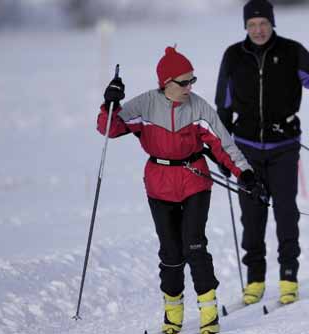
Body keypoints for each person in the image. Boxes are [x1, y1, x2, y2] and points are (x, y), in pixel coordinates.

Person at [97, 46, 264, 334]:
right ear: (166, 83)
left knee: (195, 247)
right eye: (184, 82)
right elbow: (110, 129)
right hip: (159, 185)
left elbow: (224, 145)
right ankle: (173, 315)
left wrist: (245, 174)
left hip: (194, 181)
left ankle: (208, 314)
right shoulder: (144, 105)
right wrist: (109, 103)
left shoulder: (198, 107)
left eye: (192, 81)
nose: (190, 87)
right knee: (171, 254)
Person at [214, 0, 309, 306]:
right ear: (246, 27)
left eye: (263, 24)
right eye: (252, 25)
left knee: (285, 212)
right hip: (246, 149)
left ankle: (288, 276)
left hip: (283, 146)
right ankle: (255, 279)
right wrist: (223, 153)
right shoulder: (233, 56)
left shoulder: (291, 51)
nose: (258, 30)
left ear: (272, 24)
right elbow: (223, 107)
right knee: (252, 216)